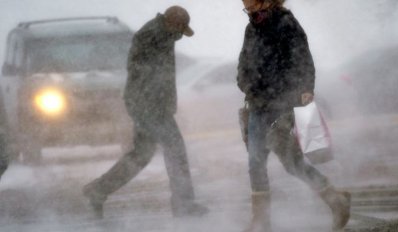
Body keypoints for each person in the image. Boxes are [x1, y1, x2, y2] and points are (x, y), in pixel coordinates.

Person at [82, 6, 208, 219]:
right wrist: (157, 104)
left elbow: (159, 73)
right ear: (172, 23)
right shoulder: (153, 35)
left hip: (150, 105)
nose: (180, 37)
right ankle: (184, 205)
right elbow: (145, 71)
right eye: (180, 31)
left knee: (140, 156)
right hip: (149, 105)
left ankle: (98, 190)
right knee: (175, 150)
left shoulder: (162, 34)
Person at [237, 0, 350, 231]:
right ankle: (261, 220)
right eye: (245, 6)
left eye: (251, 4)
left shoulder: (286, 23)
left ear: (266, 1)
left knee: (293, 163)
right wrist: (245, 82)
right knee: (256, 162)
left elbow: (303, 60)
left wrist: (305, 89)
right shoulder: (251, 28)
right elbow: (243, 62)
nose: (248, 9)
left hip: (283, 105)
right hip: (257, 105)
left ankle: (335, 200)